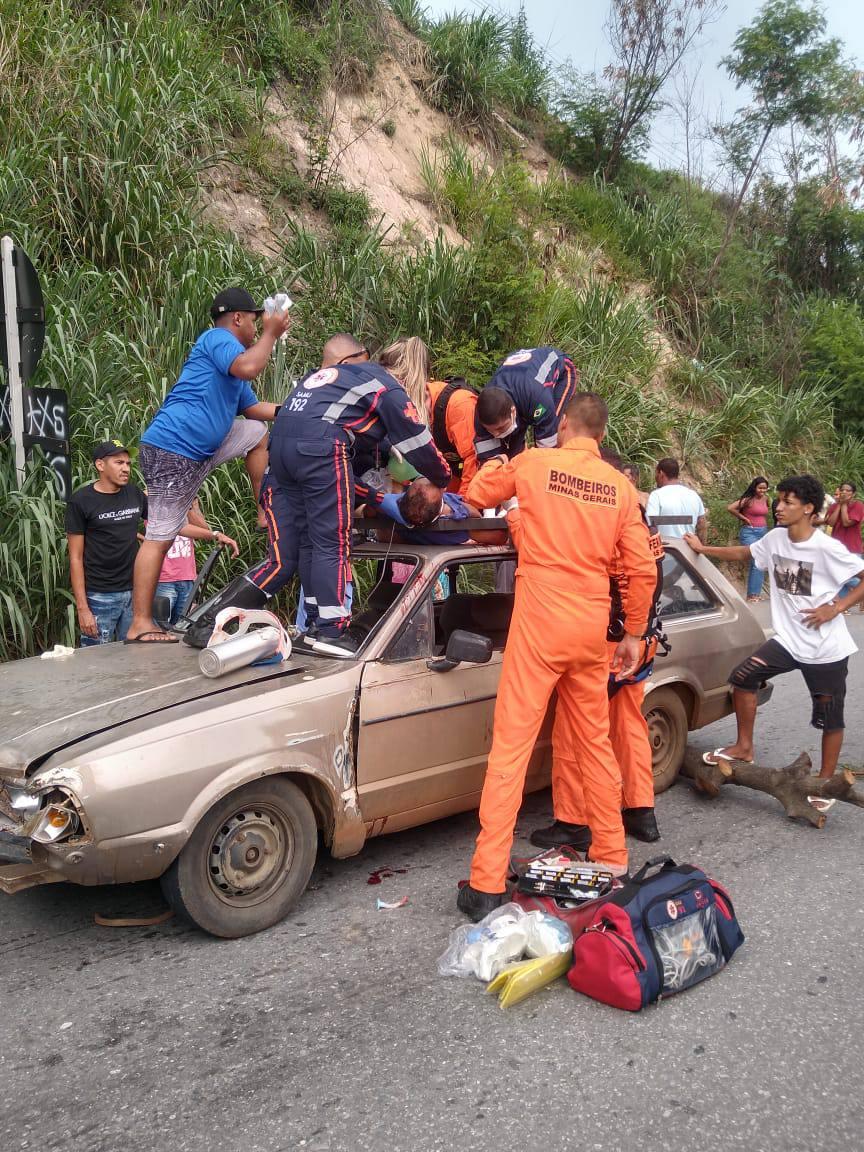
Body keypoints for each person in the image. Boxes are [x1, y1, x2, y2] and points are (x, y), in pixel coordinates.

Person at [456, 392, 657, 921]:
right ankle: (612, 859)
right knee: (594, 743)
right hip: (591, 628)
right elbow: (641, 568)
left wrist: (501, 467)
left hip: (540, 621)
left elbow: (477, 494)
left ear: (563, 424)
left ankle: (487, 881)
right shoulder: (620, 486)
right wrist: (634, 634)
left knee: (512, 748)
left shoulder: (534, 462)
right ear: (602, 436)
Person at [187, 362, 452, 656]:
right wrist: (442, 480)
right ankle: (332, 630)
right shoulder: (388, 388)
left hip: (283, 454)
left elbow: (339, 473)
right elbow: (417, 442)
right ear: (405, 376)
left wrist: (379, 493)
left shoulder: (340, 381)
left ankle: (217, 621)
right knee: (331, 541)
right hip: (318, 449)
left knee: (307, 545)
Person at [126, 287, 290, 643]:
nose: (255, 328)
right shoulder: (218, 338)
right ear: (238, 318)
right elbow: (249, 366)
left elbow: (252, 409)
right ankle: (140, 622)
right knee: (160, 537)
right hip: (174, 447)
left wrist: (296, 407)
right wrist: (271, 334)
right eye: (254, 321)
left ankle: (263, 509)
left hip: (200, 450)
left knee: (257, 432)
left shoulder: (230, 366)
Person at [684, 474, 864, 780]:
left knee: (828, 715)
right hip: (789, 641)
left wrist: (835, 608)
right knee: (743, 678)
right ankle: (744, 747)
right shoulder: (776, 538)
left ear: (808, 508)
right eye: (778, 500)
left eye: (787, 502)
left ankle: (825, 781)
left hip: (824, 649)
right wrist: (703, 549)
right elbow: (745, 554)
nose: (778, 507)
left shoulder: (824, 548)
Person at [65, 441, 148, 645]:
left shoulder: (134, 494)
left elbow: (166, 523)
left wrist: (212, 534)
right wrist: (83, 609)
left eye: (128, 463)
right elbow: (75, 558)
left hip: (134, 593)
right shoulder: (81, 501)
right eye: (119, 462)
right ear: (100, 465)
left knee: (132, 657)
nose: (126, 468)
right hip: (99, 597)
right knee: (96, 665)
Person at [473, 346, 579, 466]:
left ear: (513, 412)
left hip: (560, 372)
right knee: (512, 454)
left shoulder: (538, 399)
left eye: (500, 428)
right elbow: (487, 460)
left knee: (553, 433)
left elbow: (547, 449)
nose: (496, 435)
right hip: (521, 386)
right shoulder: (481, 413)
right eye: (490, 430)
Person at [155, 499, 239, 626]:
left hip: (187, 576)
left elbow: (203, 528)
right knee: (159, 628)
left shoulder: (186, 499)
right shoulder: (155, 495)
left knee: (181, 626)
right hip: (164, 578)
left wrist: (189, 504)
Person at [427, 376, 479, 496]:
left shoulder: (460, 406)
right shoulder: (422, 409)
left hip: (491, 475)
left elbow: (474, 459)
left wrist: (462, 503)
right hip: (453, 470)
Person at [726, 476, 771, 601]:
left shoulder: (766, 499)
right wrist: (743, 518)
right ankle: (753, 595)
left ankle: (754, 593)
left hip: (762, 532)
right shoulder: (748, 500)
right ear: (754, 487)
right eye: (760, 488)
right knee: (757, 560)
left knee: (761, 562)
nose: (762, 490)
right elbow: (730, 508)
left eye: (765, 488)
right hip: (749, 532)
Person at [646, 458, 707, 542]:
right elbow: (702, 525)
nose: (655, 476)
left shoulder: (656, 495)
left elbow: (652, 526)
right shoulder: (693, 495)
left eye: (656, 473)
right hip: (689, 551)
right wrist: (701, 549)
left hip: (668, 551)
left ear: (661, 473)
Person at [825, 482, 864, 602]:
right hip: (836, 547)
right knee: (837, 574)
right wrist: (839, 505)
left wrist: (844, 505)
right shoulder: (834, 506)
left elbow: (847, 522)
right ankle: (842, 603)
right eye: (842, 490)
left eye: (848, 491)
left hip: (852, 547)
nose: (844, 492)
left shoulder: (858, 505)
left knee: (849, 574)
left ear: (853, 494)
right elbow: (831, 522)